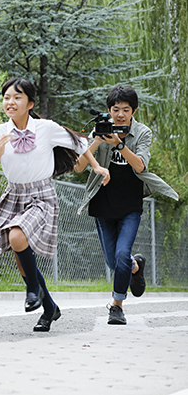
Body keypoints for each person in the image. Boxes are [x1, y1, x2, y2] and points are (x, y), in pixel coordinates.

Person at [0, 77, 110, 332]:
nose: (10, 102)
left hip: (41, 195)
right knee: (20, 252)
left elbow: (79, 143)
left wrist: (96, 167)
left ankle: (31, 292)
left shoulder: (46, 128)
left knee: (17, 237)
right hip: (14, 195)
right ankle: (49, 307)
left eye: (17, 97)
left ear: (30, 103)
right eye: (6, 97)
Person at [75, 85, 178, 325]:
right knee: (115, 262)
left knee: (121, 254)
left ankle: (117, 306)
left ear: (133, 111)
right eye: (115, 109)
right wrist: (98, 140)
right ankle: (135, 266)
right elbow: (78, 166)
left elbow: (141, 166)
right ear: (108, 110)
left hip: (130, 204)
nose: (120, 114)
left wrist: (120, 144)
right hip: (102, 203)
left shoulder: (142, 132)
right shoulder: (99, 130)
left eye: (125, 110)